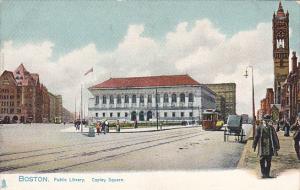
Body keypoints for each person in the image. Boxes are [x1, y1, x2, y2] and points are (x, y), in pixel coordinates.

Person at [252, 114, 280, 178]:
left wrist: (277, 146)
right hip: (262, 146)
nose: (266, 122)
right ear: (263, 120)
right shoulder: (259, 127)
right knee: (261, 160)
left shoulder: (271, 128)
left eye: (268, 121)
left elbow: (275, 137)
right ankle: (263, 173)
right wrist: (254, 145)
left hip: (269, 146)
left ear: (269, 121)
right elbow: (256, 137)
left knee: (268, 161)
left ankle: (267, 174)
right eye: (265, 120)